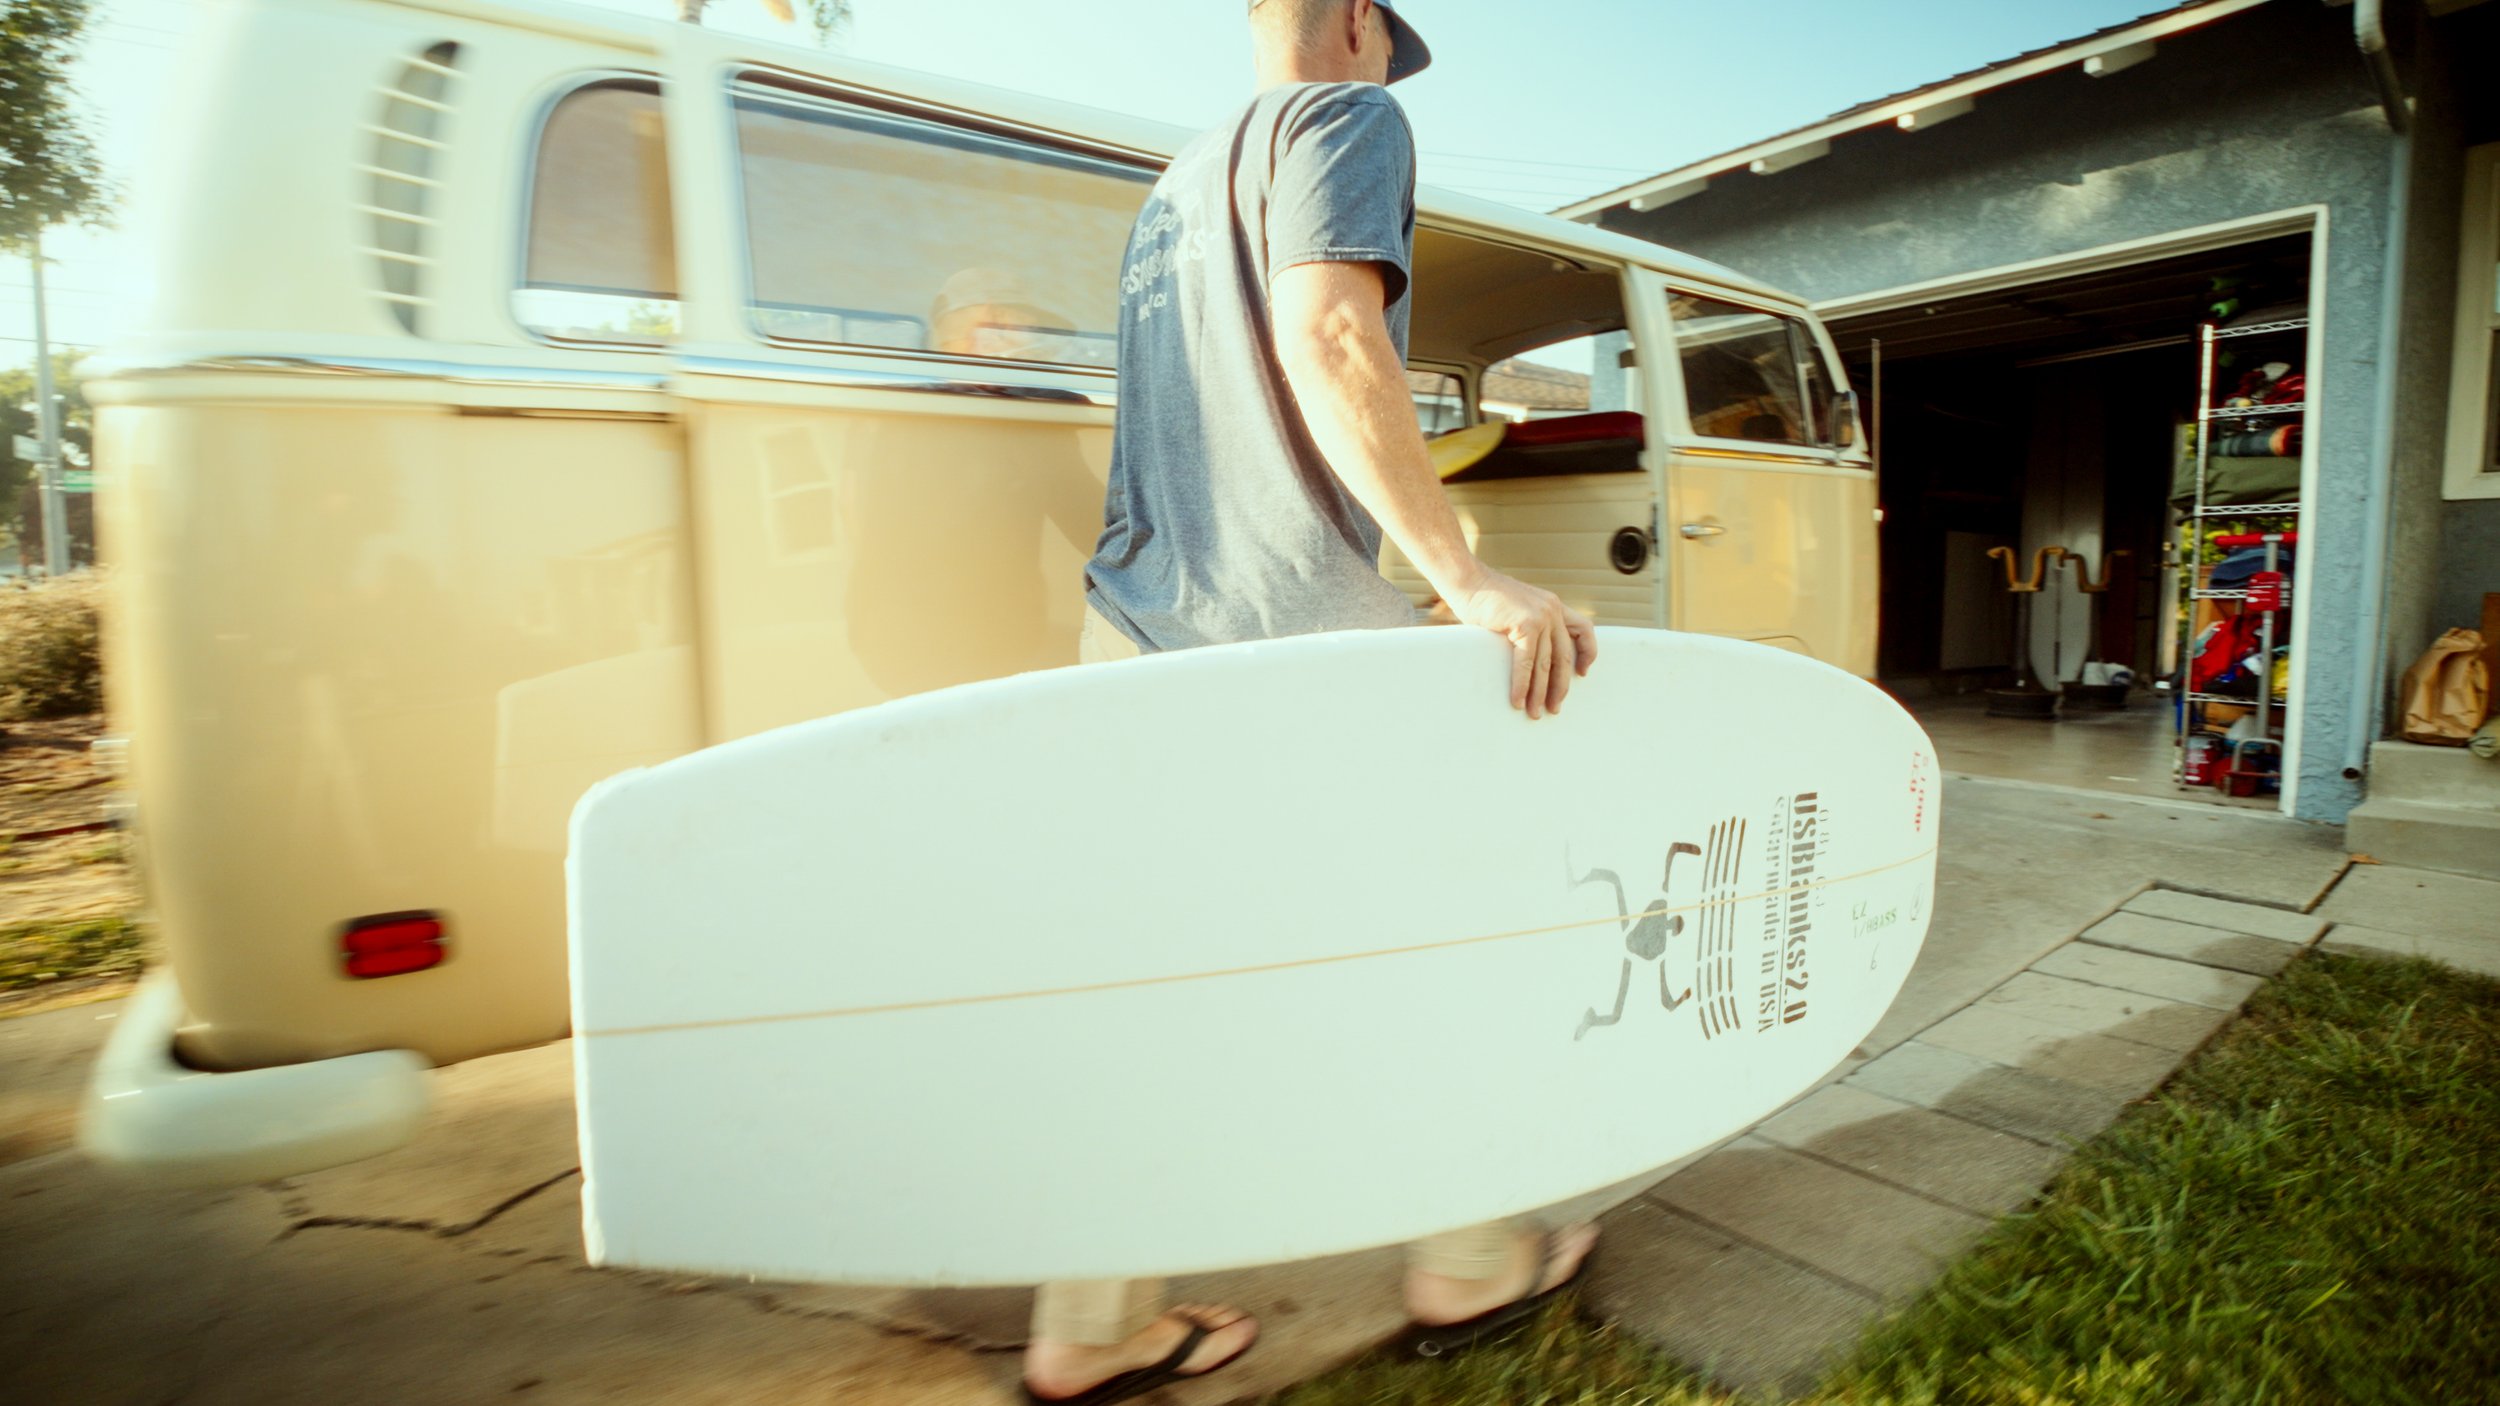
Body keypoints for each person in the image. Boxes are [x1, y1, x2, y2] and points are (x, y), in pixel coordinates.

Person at [1023, 3, 1601, 1403]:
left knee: (1158, 995)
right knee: (1448, 937)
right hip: (1280, 640)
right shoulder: (1348, 121)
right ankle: (1467, 1256)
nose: (1392, 74)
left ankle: (1090, 1326)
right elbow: (1335, 333)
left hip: (1139, 621)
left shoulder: (1171, 189)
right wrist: (1460, 576)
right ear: (1353, 20)